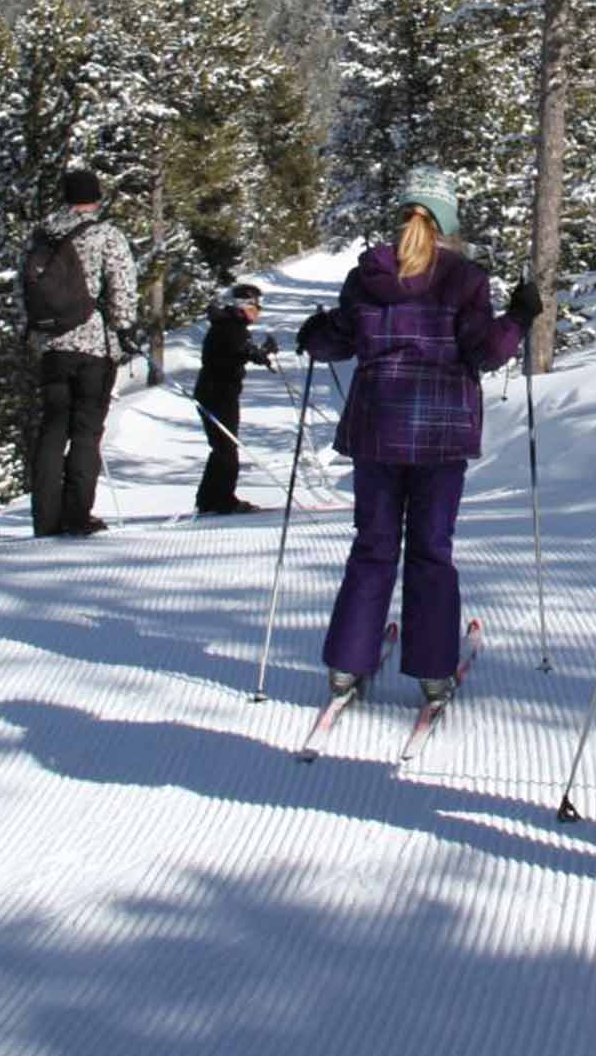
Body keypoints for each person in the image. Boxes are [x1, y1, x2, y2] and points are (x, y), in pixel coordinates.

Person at [297, 164, 542, 702]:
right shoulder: (463, 278)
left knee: (373, 545)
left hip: (376, 427)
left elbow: (335, 340)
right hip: (441, 433)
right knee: (432, 548)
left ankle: (345, 664)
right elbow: (487, 350)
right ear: (447, 220)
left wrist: (313, 332)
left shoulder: (367, 275)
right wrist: (520, 316)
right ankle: (433, 671)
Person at [27, 167, 138, 538]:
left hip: (51, 346)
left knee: (51, 430)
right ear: (97, 198)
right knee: (86, 431)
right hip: (93, 345)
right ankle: (76, 515)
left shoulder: (42, 236)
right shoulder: (106, 236)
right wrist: (123, 329)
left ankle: (45, 518)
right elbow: (122, 289)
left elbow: (23, 290)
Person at [193, 281, 278, 515]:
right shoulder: (229, 326)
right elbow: (238, 349)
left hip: (218, 392)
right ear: (243, 305)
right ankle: (221, 500)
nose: (259, 311)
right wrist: (256, 354)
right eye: (256, 306)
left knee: (222, 446)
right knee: (226, 447)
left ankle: (209, 499)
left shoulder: (230, 324)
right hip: (217, 393)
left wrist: (260, 353)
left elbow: (241, 350)